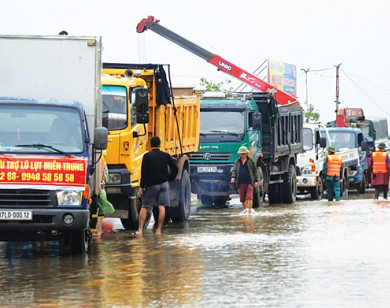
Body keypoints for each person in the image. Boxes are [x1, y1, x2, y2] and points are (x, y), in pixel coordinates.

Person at [136, 136, 178, 235]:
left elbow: (144, 172)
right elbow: (175, 168)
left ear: (150, 145)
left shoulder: (147, 156)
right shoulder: (165, 155)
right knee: (161, 206)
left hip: (152, 185)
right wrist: (169, 179)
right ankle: (159, 230)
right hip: (164, 184)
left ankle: (140, 230)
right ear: (159, 144)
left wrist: (142, 186)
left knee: (145, 206)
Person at [230, 146, 258, 214]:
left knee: (249, 197)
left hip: (249, 182)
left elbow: (255, 171)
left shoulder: (250, 161)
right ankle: (246, 210)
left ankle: (249, 212)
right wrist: (233, 177)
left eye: (244, 154)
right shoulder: (237, 162)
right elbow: (234, 170)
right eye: (241, 154)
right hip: (241, 182)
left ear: (246, 154)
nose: (243, 155)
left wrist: (256, 180)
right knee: (242, 199)